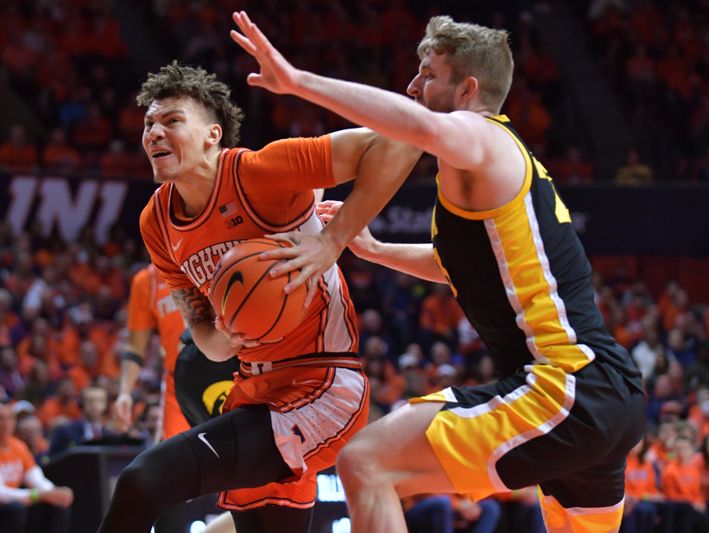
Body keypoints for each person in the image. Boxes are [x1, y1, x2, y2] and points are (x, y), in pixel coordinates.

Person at [230, 11, 645, 532]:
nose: (412, 85)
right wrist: (377, 249)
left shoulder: (482, 138)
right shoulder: (489, 173)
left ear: (468, 89)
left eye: (428, 74)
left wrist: (298, 82)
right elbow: (467, 270)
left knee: (366, 463)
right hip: (603, 390)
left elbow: (414, 124)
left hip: (565, 384)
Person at [97, 59, 419, 533]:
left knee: (143, 481)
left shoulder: (262, 171)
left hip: (323, 385)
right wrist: (225, 332)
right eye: (149, 124)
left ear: (212, 134)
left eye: (171, 121)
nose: (154, 133)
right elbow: (204, 338)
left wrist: (333, 241)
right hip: (255, 389)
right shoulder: (156, 222)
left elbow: (398, 140)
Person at [114, 263, 193, 440]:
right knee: (178, 460)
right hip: (179, 382)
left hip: (226, 370)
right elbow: (135, 347)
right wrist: (125, 392)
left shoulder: (211, 257)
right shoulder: (147, 281)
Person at [0, 403, 73, 533]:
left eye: (9, 418)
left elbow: (35, 477)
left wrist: (54, 492)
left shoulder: (18, 445)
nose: (5, 423)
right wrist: (38, 495)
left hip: (17, 499)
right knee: (16, 509)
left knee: (59, 504)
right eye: (0, 418)